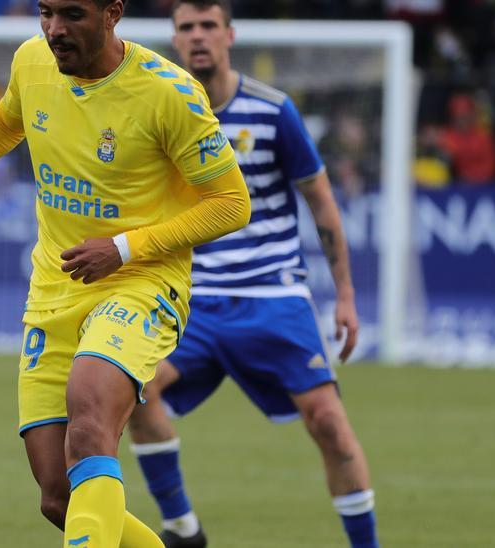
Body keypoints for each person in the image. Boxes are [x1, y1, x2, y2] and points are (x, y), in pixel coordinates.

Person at [0, 1, 249, 547]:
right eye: (46, 13)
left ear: (112, 13)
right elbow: (5, 121)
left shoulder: (170, 92)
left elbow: (232, 203)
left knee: (90, 422)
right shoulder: (32, 60)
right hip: (56, 289)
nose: (54, 30)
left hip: (142, 281)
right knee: (58, 497)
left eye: (72, 15)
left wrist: (125, 246)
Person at [125, 2, 378, 547]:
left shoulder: (273, 110)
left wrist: (346, 296)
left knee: (330, 425)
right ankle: (184, 529)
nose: (198, 38)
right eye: (186, 28)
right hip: (192, 295)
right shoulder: (161, 110)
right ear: (174, 39)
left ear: (229, 35)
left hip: (272, 294)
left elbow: (323, 203)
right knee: (130, 394)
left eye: (208, 26)